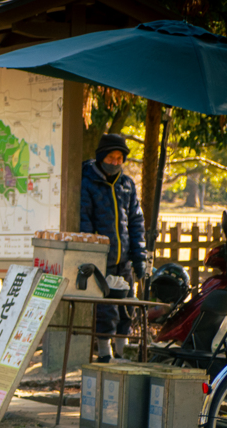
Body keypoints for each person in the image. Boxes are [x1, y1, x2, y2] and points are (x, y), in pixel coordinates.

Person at [80, 133, 147, 362]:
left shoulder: (127, 184)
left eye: (120, 158)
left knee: (127, 305)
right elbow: (84, 220)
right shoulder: (87, 181)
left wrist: (139, 257)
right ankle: (105, 353)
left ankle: (122, 351)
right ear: (101, 157)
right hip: (101, 260)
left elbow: (136, 221)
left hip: (124, 258)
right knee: (105, 309)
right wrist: (93, 252)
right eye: (112, 157)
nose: (116, 162)